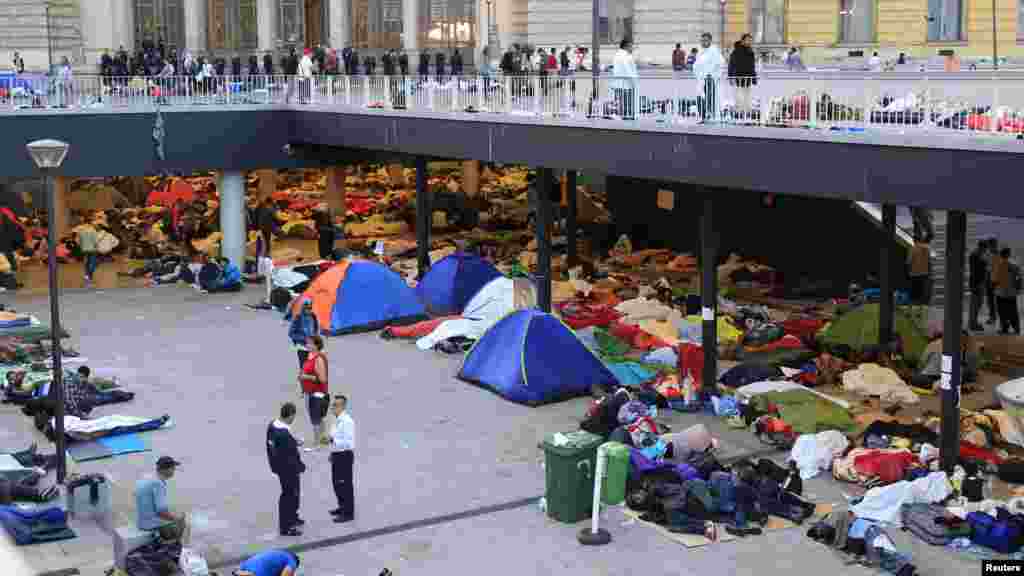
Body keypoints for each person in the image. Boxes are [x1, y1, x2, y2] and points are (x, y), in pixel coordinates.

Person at [267, 403, 305, 536]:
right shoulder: (283, 434)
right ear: (290, 415)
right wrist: (301, 466)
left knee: (291, 494)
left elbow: (278, 446)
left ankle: (293, 517)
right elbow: (291, 456)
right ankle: (286, 526)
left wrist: (294, 441)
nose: (294, 419)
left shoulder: (273, 426)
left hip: (278, 466)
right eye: (293, 416)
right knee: (289, 495)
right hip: (288, 470)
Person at [135, 456, 190, 544]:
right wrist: (177, 519)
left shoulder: (147, 478)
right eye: (173, 468)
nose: (174, 471)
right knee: (184, 524)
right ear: (165, 469)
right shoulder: (158, 484)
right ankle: (175, 548)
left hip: (141, 521)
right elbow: (161, 511)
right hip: (151, 525)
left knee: (173, 515)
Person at [328, 394, 355, 523]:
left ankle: (348, 513)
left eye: (336, 405)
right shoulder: (337, 420)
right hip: (337, 455)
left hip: (344, 456)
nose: (333, 407)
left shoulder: (347, 422)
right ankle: (342, 506)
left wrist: (332, 440)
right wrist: (332, 452)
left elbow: (348, 443)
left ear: (343, 407)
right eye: (333, 405)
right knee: (337, 483)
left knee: (345, 485)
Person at [298, 335, 329, 445]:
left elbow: (323, 379)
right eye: (307, 343)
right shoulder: (310, 355)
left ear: (316, 346)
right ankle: (323, 438)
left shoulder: (319, 358)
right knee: (318, 416)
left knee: (315, 417)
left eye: (310, 343)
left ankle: (317, 442)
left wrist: (306, 377)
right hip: (308, 391)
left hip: (316, 393)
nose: (307, 345)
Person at [693, 33, 724, 122]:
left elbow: (720, 63)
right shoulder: (701, 52)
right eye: (702, 40)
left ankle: (710, 115)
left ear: (710, 41)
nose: (703, 42)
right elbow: (696, 65)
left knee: (709, 98)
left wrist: (713, 75)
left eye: (705, 40)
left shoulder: (714, 51)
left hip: (709, 79)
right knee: (700, 97)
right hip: (701, 80)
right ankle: (702, 116)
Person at [727, 33, 757, 120]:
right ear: (742, 40)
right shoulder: (736, 51)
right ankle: (738, 114)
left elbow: (752, 65)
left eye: (750, 40)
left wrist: (754, 77)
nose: (749, 42)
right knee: (738, 97)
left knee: (747, 97)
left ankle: (747, 114)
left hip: (748, 78)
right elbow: (731, 64)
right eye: (748, 40)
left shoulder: (751, 52)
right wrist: (730, 76)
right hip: (738, 78)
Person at [993, 247, 1021, 335]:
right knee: (1013, 311)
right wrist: (1017, 289)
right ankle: (1016, 328)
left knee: (1002, 312)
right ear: (1009, 254)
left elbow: (995, 280)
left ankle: (1004, 328)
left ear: (1001, 254)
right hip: (1011, 293)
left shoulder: (998, 265)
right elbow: (1019, 278)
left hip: (1001, 293)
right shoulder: (1014, 264)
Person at [611, 39, 638, 121]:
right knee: (627, 105)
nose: (632, 48)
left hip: (618, 83)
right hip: (627, 84)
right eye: (631, 46)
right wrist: (634, 81)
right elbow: (628, 70)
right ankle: (627, 118)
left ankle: (620, 116)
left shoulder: (617, 55)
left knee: (619, 103)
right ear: (627, 46)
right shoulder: (626, 56)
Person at [289, 300, 319, 368]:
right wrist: (304, 339)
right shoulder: (298, 317)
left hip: (312, 346)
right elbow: (291, 333)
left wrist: (315, 338)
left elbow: (315, 329)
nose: (309, 310)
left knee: (313, 367)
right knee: (304, 368)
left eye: (310, 308)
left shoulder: (313, 316)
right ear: (303, 308)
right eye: (307, 308)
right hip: (302, 347)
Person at [969, 240, 988, 331]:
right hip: (977, 283)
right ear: (982, 247)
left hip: (977, 282)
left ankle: (973, 322)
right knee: (975, 304)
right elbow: (976, 271)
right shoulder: (976, 255)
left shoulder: (976, 254)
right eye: (985, 248)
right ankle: (973, 323)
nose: (986, 250)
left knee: (977, 303)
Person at [233, 549, 300, 576]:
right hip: (258, 572)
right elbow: (287, 572)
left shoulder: (279, 553)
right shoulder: (292, 561)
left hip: (246, 566)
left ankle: (244, 573)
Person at [907, 235, 931, 306]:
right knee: (921, 293)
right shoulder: (927, 249)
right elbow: (929, 262)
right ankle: (920, 311)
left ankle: (910, 310)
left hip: (914, 274)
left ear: (914, 240)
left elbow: (909, 262)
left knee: (912, 294)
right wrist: (929, 272)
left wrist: (908, 272)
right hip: (924, 274)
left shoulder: (913, 249)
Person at [76, 218, 99, 287]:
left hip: (84, 249)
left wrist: (82, 246)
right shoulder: (93, 230)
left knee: (87, 262)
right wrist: (97, 246)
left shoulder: (81, 230)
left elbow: (78, 240)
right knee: (92, 262)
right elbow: (95, 241)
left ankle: (86, 275)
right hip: (92, 249)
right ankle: (89, 276)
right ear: (91, 223)